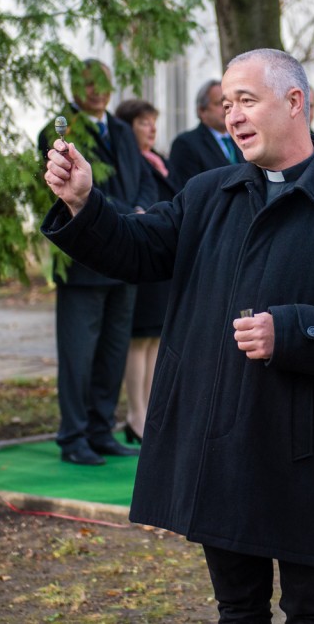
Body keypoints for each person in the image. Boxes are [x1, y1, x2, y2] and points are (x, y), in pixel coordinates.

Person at [42, 48, 314, 623]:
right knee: (237, 608)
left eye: (246, 101)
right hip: (221, 444)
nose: (233, 115)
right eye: (226, 102)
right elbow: (138, 249)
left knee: (310, 608)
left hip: (305, 451)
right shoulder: (208, 193)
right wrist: (85, 202)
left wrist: (291, 331)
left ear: (294, 102)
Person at [37, 58, 155, 465]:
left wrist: (141, 210)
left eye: (103, 83)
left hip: (123, 258)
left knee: (113, 351)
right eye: (87, 83)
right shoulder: (58, 132)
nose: (96, 91)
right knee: (78, 356)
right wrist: (128, 214)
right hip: (83, 263)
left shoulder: (121, 130)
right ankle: (73, 438)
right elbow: (75, 188)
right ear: (73, 87)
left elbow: (144, 178)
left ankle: (101, 431)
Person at [114, 98, 183, 444]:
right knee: (139, 339)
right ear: (127, 128)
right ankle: (135, 414)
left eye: (153, 121)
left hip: (164, 258)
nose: (152, 128)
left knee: (156, 338)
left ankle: (150, 411)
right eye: (143, 122)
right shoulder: (128, 163)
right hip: (141, 255)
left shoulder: (161, 161)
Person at [168, 79, 243, 186]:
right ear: (202, 110)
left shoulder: (241, 138)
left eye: (228, 103)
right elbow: (187, 189)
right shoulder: (185, 144)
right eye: (219, 103)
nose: (225, 108)